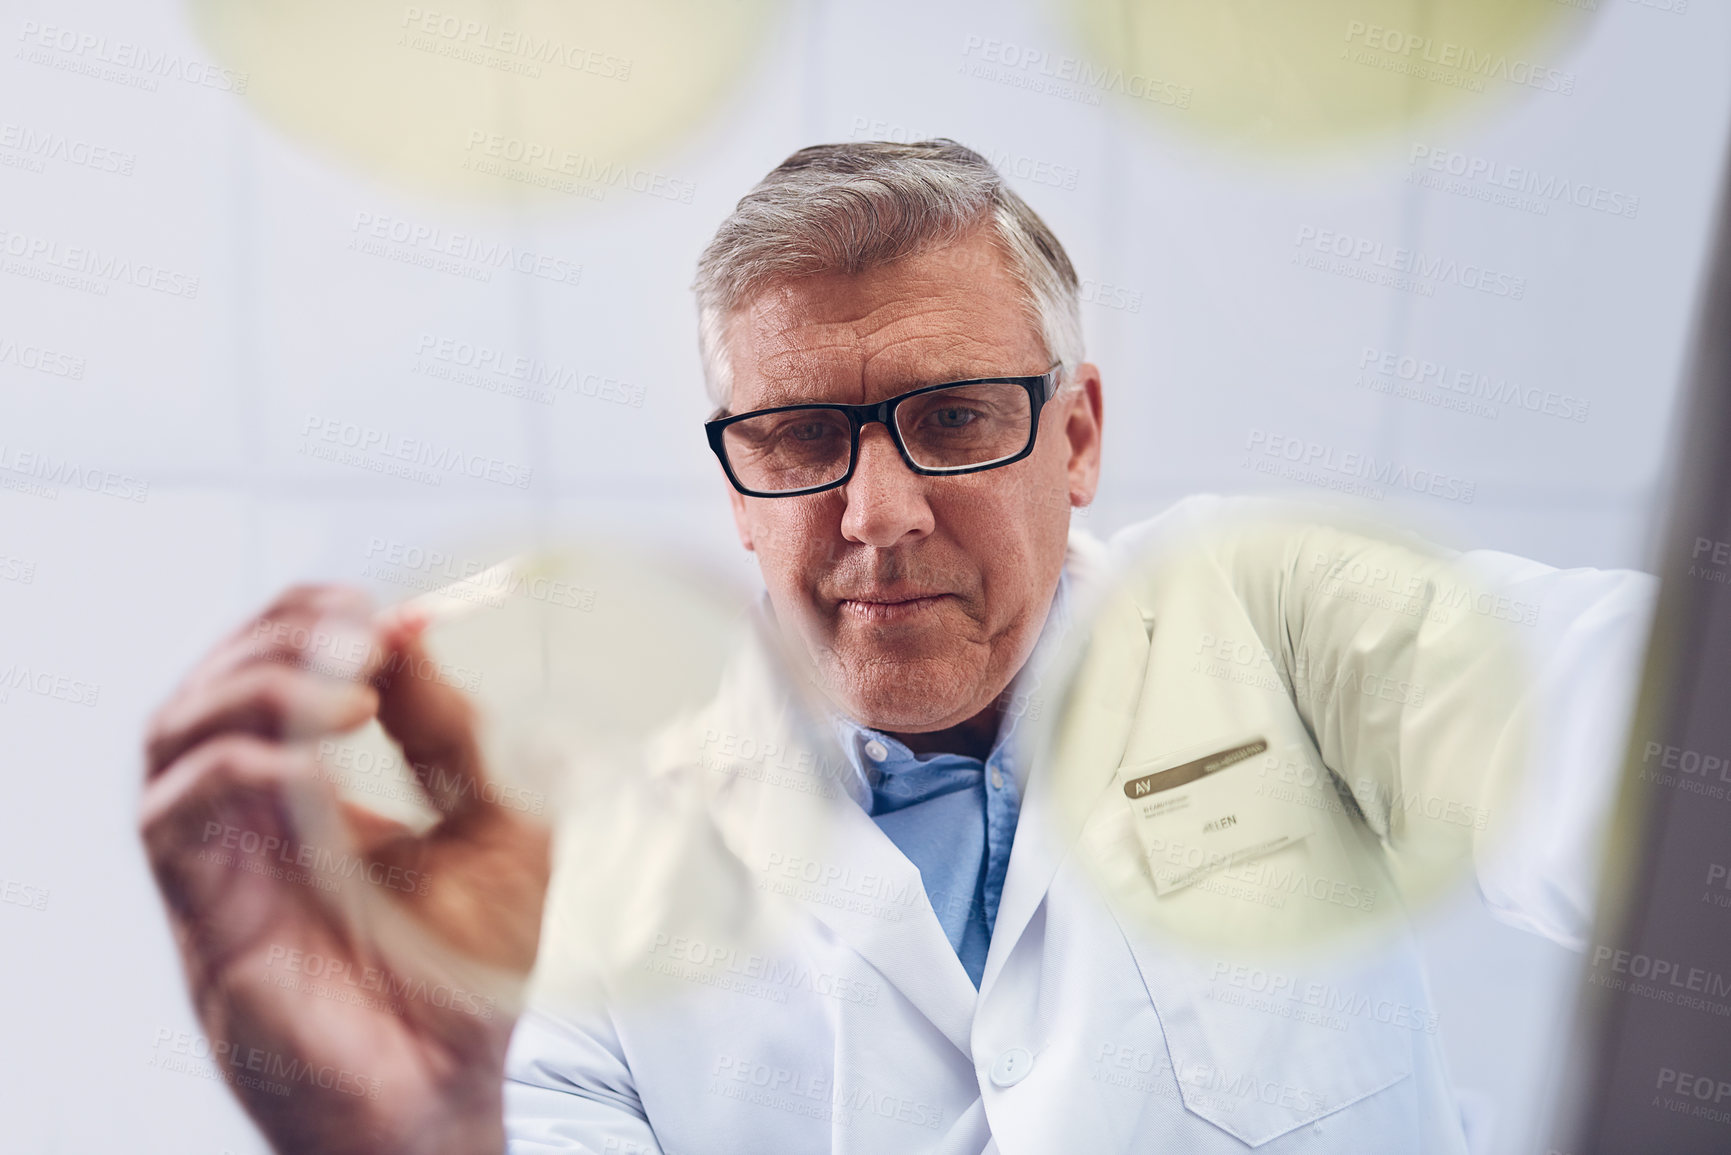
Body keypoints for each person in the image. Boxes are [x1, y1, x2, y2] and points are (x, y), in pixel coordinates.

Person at [141, 140, 1653, 1154]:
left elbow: (1617, 735)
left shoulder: (1281, 624)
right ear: (737, 490)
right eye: (799, 436)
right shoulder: (572, 867)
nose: (876, 514)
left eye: (954, 417)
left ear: (1077, 437)